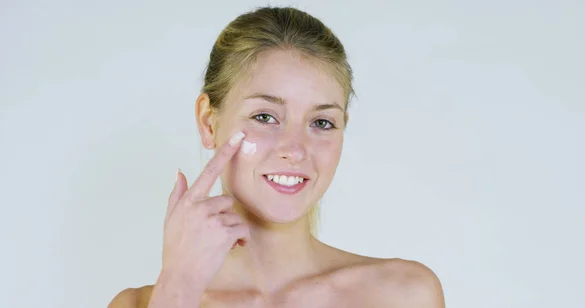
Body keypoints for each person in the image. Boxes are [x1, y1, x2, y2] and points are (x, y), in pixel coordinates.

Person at [109, 6, 445, 308]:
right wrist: (179, 286)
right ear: (209, 122)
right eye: (265, 117)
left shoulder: (402, 295)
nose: (295, 149)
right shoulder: (139, 304)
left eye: (322, 122)